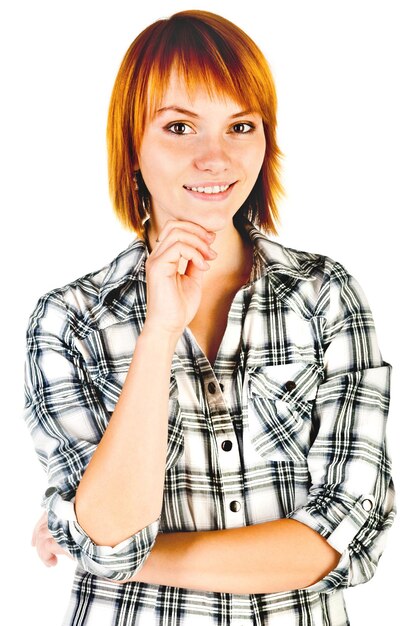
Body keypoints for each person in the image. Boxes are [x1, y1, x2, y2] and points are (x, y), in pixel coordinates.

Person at [25, 9, 396, 626]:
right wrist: (160, 331)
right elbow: (109, 528)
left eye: (240, 126)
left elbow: (343, 541)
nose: (215, 158)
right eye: (179, 127)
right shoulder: (71, 321)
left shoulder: (327, 297)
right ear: (132, 149)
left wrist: (102, 548)